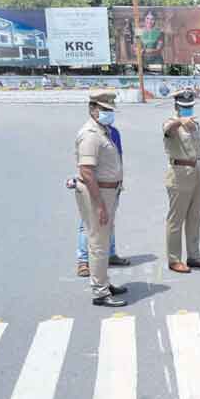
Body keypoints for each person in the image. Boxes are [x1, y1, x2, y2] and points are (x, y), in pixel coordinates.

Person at [74, 91, 128, 307]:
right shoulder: (90, 134)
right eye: (104, 110)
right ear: (92, 109)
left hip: (108, 191)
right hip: (96, 193)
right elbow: (86, 171)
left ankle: (104, 283)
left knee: (103, 242)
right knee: (97, 243)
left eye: (110, 110)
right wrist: (99, 205)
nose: (108, 113)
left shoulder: (103, 130)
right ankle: (99, 292)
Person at [163, 89, 200, 273]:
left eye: (190, 107)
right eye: (184, 107)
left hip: (198, 171)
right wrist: (179, 121)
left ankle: (194, 255)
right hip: (179, 173)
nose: (187, 110)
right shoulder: (170, 123)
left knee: (195, 216)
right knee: (176, 218)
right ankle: (174, 259)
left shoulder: (195, 124)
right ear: (176, 107)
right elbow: (167, 131)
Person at [76, 123, 130, 277]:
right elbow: (85, 167)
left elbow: (118, 158)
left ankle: (110, 254)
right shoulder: (89, 134)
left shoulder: (114, 133)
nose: (108, 111)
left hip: (112, 187)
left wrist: (119, 182)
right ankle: (83, 261)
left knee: (109, 222)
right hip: (95, 188)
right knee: (87, 226)